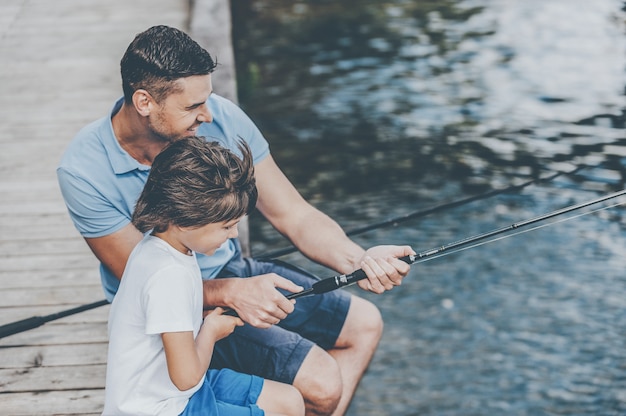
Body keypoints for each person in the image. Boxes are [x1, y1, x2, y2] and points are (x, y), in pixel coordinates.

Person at [57, 25, 415, 416]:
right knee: (324, 387)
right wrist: (232, 294)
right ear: (144, 101)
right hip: (183, 308)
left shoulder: (219, 116)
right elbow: (140, 278)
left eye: (207, 99)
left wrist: (360, 261)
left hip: (230, 270)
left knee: (364, 323)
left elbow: (293, 214)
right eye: (193, 107)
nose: (208, 115)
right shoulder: (83, 170)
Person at [103, 136, 304, 416]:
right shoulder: (167, 274)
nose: (234, 235)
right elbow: (185, 378)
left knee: (290, 402)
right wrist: (210, 331)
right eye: (227, 226)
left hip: (171, 393)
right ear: (184, 218)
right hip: (160, 408)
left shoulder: (162, 246)